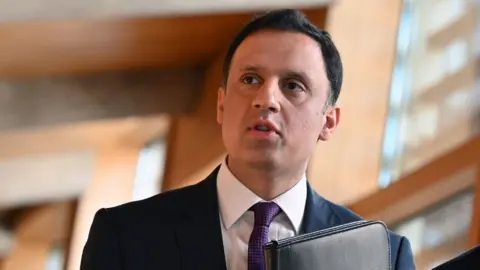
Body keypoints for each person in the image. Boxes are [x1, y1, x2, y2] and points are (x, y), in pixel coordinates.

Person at [80, 9, 415, 270]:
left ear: (328, 121)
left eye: (293, 85)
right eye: (251, 78)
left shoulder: (382, 255)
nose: (266, 99)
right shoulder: (126, 234)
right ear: (222, 105)